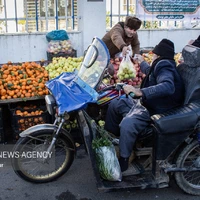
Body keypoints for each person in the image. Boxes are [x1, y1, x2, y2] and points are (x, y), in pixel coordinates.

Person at [104, 39, 185, 174]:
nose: (152, 55)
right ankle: (111, 140)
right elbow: (150, 72)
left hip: (155, 109)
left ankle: (124, 159)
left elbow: (168, 85)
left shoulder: (165, 66)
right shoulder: (160, 65)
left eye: (154, 53)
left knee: (127, 124)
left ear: (158, 55)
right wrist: (141, 62)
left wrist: (139, 91)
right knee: (116, 103)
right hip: (147, 103)